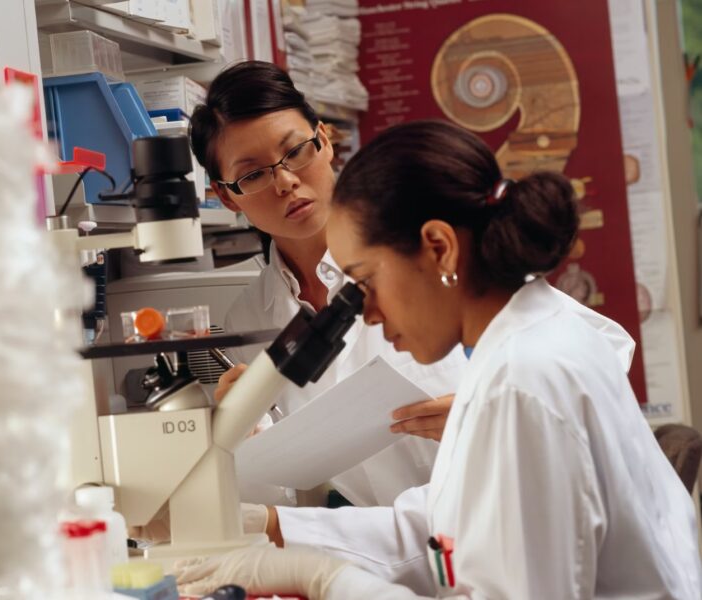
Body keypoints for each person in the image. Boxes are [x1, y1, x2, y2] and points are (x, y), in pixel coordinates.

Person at [175, 120, 701, 599]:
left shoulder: (520, 381)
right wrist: (268, 525)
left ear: (440, 248)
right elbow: (445, 530)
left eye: (366, 282)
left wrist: (329, 581)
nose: (370, 313)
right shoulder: (521, 344)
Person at [189, 61, 467, 512]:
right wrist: (243, 434)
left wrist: (488, 413)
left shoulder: (429, 239)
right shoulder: (247, 320)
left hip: (489, 507)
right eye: (253, 174)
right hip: (380, 545)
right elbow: (282, 488)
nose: (285, 181)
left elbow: (588, 350)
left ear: (324, 140)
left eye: (296, 151)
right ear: (225, 196)